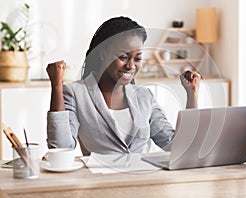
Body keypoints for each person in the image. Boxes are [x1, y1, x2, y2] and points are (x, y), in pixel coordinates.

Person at [46, 16, 200, 156]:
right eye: (123, 57)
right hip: (99, 183)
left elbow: (175, 145)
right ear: (103, 53)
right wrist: (57, 86)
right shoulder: (76, 93)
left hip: (143, 183)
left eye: (138, 58)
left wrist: (191, 95)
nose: (131, 65)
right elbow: (61, 147)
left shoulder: (144, 96)